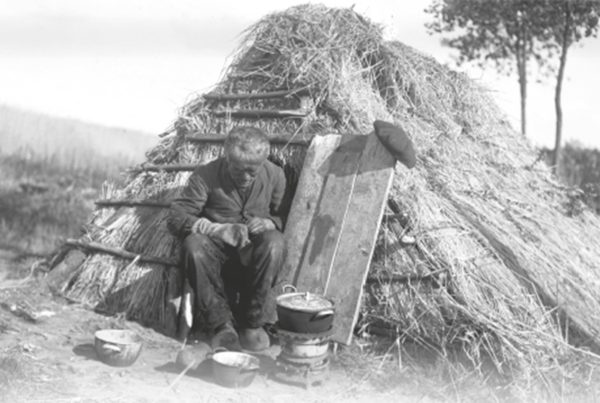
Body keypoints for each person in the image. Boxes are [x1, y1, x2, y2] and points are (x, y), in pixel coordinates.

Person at [167, 126, 286, 351]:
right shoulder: (206, 175)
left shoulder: (275, 175)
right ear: (227, 158)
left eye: (253, 171)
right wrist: (216, 229)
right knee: (194, 246)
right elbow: (176, 216)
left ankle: (251, 324)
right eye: (239, 170)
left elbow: (286, 215)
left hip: (255, 257)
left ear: (263, 161)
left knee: (275, 243)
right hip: (217, 255)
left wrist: (270, 223)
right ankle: (221, 326)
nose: (246, 177)